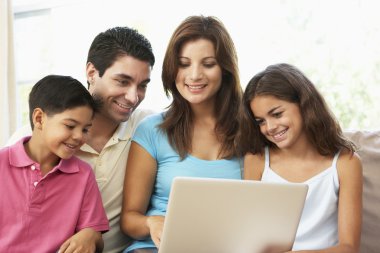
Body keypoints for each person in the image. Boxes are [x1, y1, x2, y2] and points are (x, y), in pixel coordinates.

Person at [7, 27, 156, 253]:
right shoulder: (29, 142)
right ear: (91, 72)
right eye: (122, 81)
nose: (133, 97)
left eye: (143, 85)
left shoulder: (146, 127)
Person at [120, 15, 243, 253]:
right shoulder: (151, 130)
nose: (194, 75)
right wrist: (150, 222)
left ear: (225, 69)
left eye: (208, 64)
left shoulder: (249, 131)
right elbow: (129, 220)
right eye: (184, 64)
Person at [240, 63, 363, 252]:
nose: (270, 127)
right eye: (261, 121)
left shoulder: (346, 163)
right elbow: (250, 235)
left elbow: (348, 248)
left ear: (304, 104)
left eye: (277, 114)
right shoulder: (256, 161)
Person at [0, 75, 109, 253]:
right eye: (70, 125)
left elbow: (96, 237)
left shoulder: (83, 174)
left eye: (85, 129)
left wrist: (90, 234)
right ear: (39, 119)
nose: (79, 137)